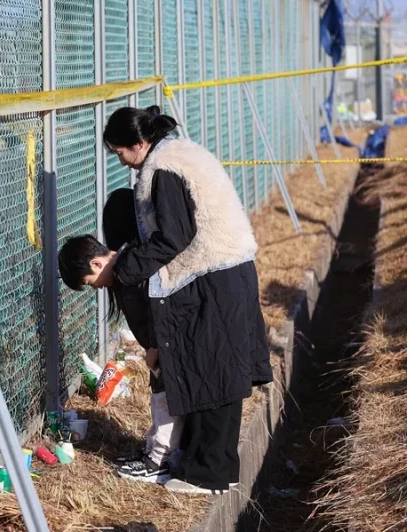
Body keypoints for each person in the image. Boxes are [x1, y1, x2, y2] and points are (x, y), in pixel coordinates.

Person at [97, 105, 271, 495]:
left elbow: (174, 238)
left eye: (120, 152)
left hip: (215, 275)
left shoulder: (163, 171)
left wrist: (125, 268)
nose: (121, 161)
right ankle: (206, 468)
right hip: (227, 271)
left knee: (213, 374)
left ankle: (208, 474)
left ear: (140, 143)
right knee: (214, 371)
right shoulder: (176, 154)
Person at [58, 188, 183, 484]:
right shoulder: (124, 271)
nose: (96, 287)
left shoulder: (131, 269)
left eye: (91, 282)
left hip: (164, 345)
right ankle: (155, 449)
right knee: (159, 397)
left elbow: (157, 307)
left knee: (166, 400)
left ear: (96, 264)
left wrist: (156, 344)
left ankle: (160, 458)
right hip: (158, 348)